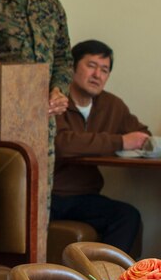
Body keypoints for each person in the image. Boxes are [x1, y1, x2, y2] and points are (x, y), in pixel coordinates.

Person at [0, 0, 71, 191]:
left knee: (39, 195)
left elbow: (63, 56)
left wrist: (59, 89)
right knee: (0, 196)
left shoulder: (49, 2)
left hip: (42, 117)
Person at [52, 40, 148, 257]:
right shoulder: (56, 100)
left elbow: (142, 136)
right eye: (91, 66)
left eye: (104, 70)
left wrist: (141, 142)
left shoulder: (112, 105)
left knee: (127, 215)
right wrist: (120, 142)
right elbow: (63, 143)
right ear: (72, 68)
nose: (98, 75)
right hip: (51, 195)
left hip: (84, 195)